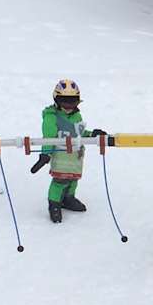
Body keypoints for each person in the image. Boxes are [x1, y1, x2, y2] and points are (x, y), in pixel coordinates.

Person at [39, 78, 91, 224]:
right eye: (65, 103)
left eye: (72, 103)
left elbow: (79, 132)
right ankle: (54, 204)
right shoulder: (51, 118)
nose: (69, 107)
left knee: (73, 180)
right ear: (56, 100)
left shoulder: (76, 115)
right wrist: (45, 154)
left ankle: (68, 198)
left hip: (75, 157)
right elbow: (48, 138)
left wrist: (92, 134)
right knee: (60, 181)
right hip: (61, 157)